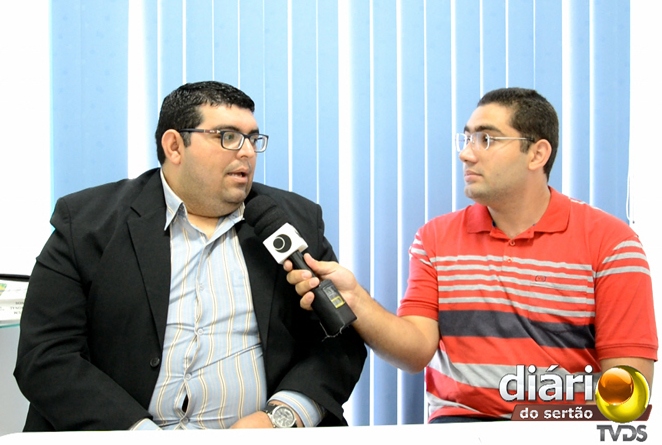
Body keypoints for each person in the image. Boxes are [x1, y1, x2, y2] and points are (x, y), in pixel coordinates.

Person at [285, 87, 657, 422]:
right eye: (466, 138)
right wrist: (356, 300)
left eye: (486, 139)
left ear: (537, 154)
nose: (465, 153)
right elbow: (415, 352)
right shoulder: (435, 238)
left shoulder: (612, 243)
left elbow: (628, 390)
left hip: (563, 430)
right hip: (460, 427)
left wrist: (535, 425)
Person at [14, 81, 366, 431]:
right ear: (174, 146)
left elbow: (341, 340)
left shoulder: (293, 220)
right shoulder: (87, 223)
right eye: (228, 136)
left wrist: (280, 417)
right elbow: (46, 354)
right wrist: (139, 435)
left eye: (252, 138)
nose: (247, 151)